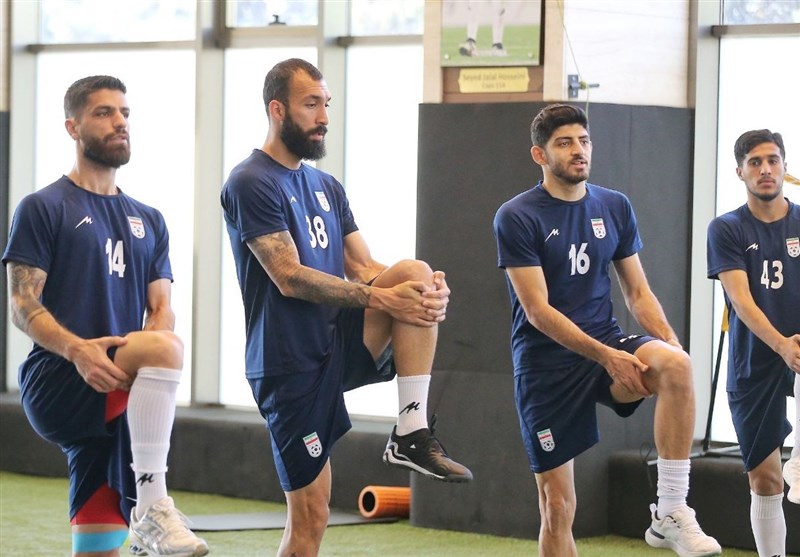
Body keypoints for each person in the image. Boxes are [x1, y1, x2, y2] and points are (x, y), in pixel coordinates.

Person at [220, 58, 472, 557]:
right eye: (310, 104)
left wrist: (423, 292)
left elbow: (364, 266)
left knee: (414, 272)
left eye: (326, 104)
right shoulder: (251, 180)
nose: (323, 117)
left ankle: (411, 430)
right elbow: (288, 276)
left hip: (336, 341)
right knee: (311, 517)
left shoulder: (326, 186)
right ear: (277, 110)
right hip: (288, 363)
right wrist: (382, 298)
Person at [492, 104, 721, 557]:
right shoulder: (517, 215)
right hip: (546, 366)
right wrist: (606, 356)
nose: (578, 150)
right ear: (540, 155)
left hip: (607, 342)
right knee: (558, 506)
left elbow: (638, 292)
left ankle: (670, 510)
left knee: (677, 365)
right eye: (564, 143)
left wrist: (671, 346)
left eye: (584, 141)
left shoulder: (614, 205)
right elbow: (537, 311)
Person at [2, 75, 208, 557]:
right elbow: (22, 304)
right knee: (165, 349)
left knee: (98, 548)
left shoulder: (149, 220)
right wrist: (79, 351)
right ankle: (153, 507)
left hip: (120, 388)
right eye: (104, 112)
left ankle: (143, 520)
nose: (120, 122)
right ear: (72, 127)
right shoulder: (43, 207)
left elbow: (162, 309)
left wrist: (140, 365)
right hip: (60, 377)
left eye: (125, 113)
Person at [707, 129, 800, 557]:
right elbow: (741, 301)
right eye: (755, 162)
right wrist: (781, 345)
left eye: (772, 160)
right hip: (754, 361)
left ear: (784, 166)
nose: (765, 169)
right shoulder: (726, 228)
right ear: (740, 172)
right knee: (765, 479)